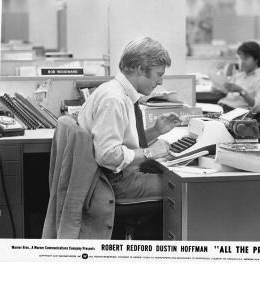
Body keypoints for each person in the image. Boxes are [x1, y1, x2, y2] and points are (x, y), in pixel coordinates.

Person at [78, 37, 182, 200]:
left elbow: (124, 143)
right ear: (140, 69)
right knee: (187, 186)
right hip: (116, 182)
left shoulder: (118, 92)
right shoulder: (114, 100)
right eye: (159, 74)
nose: (160, 82)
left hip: (119, 174)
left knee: (174, 173)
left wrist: (156, 131)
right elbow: (108, 156)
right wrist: (150, 152)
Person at [217, 41, 260, 114]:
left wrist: (241, 91)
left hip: (237, 114)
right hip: (222, 107)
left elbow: (258, 106)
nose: (242, 62)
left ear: (256, 59)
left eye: (245, 58)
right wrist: (219, 90)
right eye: (241, 58)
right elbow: (230, 95)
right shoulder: (240, 75)